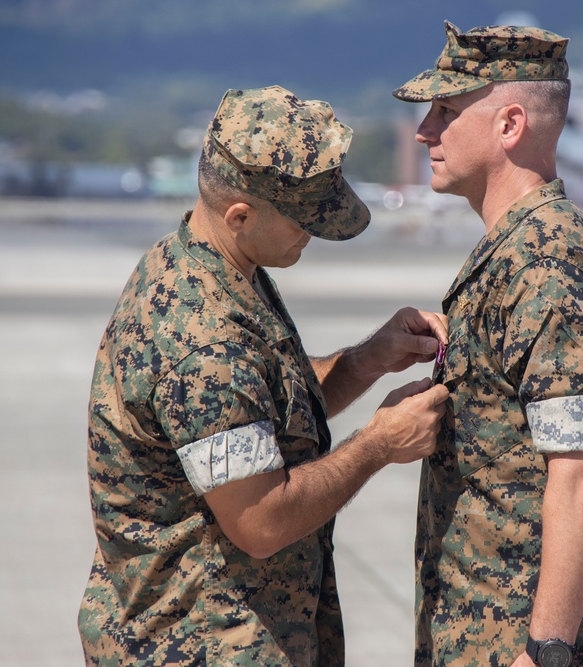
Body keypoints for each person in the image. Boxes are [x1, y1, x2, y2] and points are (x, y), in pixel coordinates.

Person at [78, 85, 450, 666]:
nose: (313, 233)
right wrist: (379, 445)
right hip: (197, 646)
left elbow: (266, 411)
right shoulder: (202, 339)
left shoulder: (218, 265)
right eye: (302, 218)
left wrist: (365, 361)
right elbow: (260, 519)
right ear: (240, 215)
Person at [393, 22, 583, 667]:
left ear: (509, 126)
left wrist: (547, 650)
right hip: (481, 632)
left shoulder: (547, 265)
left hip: (522, 646)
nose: (425, 131)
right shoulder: (512, 254)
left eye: (446, 111)